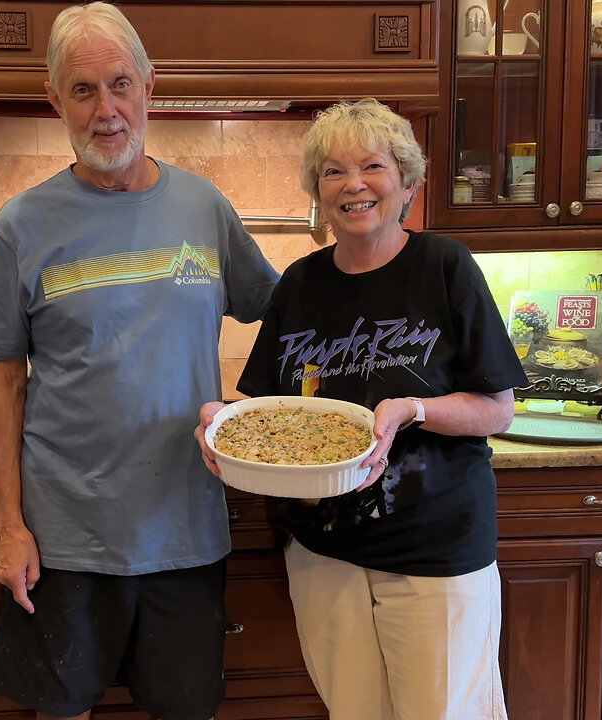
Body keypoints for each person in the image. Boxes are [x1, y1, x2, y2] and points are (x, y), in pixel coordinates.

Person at [0, 4, 279, 720]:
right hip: (64, 536)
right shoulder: (21, 225)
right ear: (57, 103)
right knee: (62, 709)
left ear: (149, 86)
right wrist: (8, 527)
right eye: (83, 90)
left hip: (186, 529)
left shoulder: (205, 208)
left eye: (119, 84)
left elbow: (283, 314)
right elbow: (4, 384)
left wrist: (264, 414)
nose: (106, 109)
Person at [195, 98, 526, 720]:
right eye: (331, 172)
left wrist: (413, 410)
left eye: (372, 166)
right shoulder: (300, 283)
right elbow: (268, 411)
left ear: (405, 182)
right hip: (324, 552)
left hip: (435, 548)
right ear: (318, 194)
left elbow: (497, 409)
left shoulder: (444, 267)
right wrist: (223, 423)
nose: (353, 186)